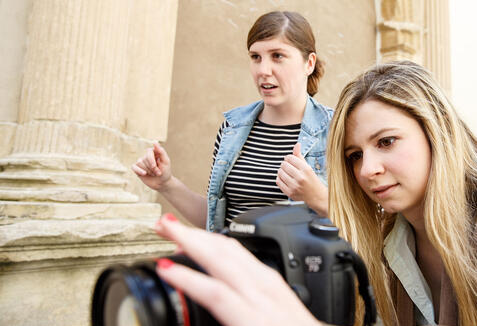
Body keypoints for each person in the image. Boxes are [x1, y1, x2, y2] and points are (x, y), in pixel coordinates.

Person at [153, 61, 477, 326]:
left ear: (437, 132)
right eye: (355, 155)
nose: (368, 169)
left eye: (387, 142)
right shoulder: (387, 239)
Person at [132, 11, 332, 232]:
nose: (263, 70)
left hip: (295, 265)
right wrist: (166, 184)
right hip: (230, 263)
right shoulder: (232, 128)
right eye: (256, 57)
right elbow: (215, 221)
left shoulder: (335, 129)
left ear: (309, 63)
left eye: (277, 56)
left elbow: (366, 221)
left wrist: (319, 198)